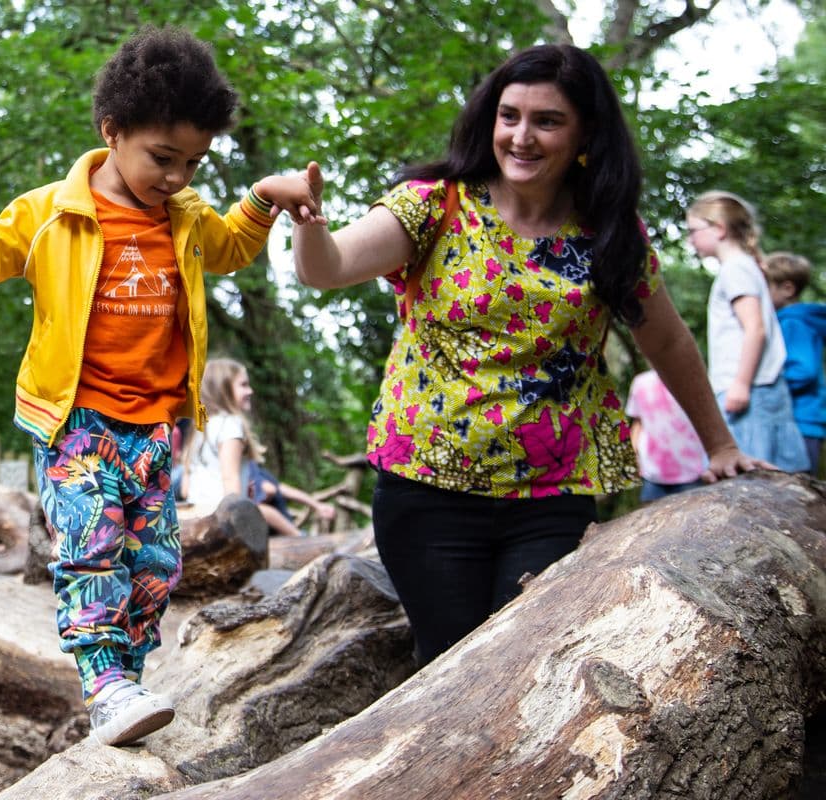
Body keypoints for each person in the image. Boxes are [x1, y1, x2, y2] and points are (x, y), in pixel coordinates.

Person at [0, 26, 321, 746]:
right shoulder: (51, 213)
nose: (176, 177)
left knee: (159, 566)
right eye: (162, 158)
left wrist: (265, 196)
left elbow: (231, 249)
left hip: (156, 428)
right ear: (112, 131)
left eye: (193, 162)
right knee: (90, 546)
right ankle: (105, 684)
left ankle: (127, 678)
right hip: (76, 419)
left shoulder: (189, 216)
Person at [291, 44, 766, 666]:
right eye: (509, 116)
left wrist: (720, 445)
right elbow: (328, 268)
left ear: (585, 134)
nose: (522, 136)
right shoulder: (434, 204)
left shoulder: (609, 232)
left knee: (532, 665)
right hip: (427, 490)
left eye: (547, 121)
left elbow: (669, 341)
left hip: (553, 493)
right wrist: (306, 216)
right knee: (449, 669)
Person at [687, 191, 809, 473]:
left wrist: (740, 384)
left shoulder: (736, 269)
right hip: (758, 390)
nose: (691, 239)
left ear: (719, 229)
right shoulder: (745, 267)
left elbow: (755, 328)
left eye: (694, 231)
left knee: (753, 482)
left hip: (749, 391)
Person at [183, 358, 336, 537]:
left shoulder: (200, 429)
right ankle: (302, 539)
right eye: (243, 385)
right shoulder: (230, 425)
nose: (250, 390)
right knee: (262, 512)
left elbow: (187, 488)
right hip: (222, 519)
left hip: (197, 515)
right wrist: (237, 521)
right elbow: (229, 477)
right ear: (223, 389)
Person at [764, 251, 826, 474]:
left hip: (801, 421)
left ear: (787, 289)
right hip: (801, 420)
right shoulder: (794, 321)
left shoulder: (793, 323)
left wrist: (767, 383)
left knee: (796, 490)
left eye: (765, 287)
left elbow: (804, 370)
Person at [625, 369, 707, 501]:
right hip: (653, 473)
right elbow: (638, 423)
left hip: (690, 471)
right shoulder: (640, 382)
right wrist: (632, 455)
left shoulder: (690, 379)